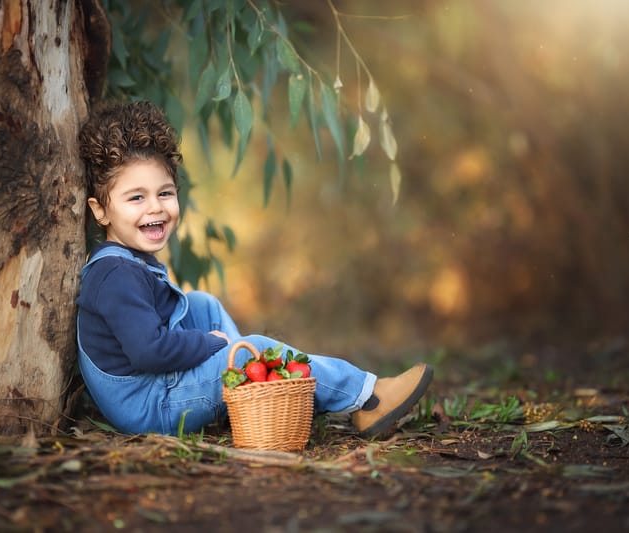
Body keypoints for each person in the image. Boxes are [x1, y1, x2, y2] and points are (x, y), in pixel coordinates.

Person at [76, 100, 433, 439]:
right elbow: (149, 351)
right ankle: (367, 398)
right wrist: (210, 344)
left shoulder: (121, 261)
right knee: (253, 348)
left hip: (150, 393)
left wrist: (211, 342)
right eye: (136, 198)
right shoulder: (116, 276)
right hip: (152, 406)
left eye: (165, 193)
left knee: (202, 305)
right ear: (100, 211)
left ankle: (245, 395)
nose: (155, 207)